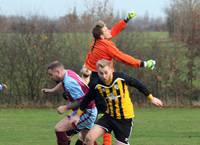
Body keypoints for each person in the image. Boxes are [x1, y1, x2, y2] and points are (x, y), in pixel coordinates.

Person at [81, 10, 156, 145]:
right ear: (102, 36)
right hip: (98, 80)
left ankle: (85, 129)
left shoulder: (98, 41)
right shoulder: (107, 47)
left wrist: (125, 20)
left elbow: (113, 31)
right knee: (108, 112)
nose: (109, 30)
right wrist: (143, 63)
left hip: (95, 77)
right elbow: (122, 57)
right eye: (106, 30)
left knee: (108, 112)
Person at [77, 59, 163, 145]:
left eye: (106, 72)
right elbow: (87, 99)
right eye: (101, 73)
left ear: (111, 70)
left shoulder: (120, 78)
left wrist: (151, 98)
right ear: (97, 73)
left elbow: (138, 84)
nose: (104, 76)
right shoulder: (97, 84)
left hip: (124, 119)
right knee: (89, 138)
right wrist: (77, 116)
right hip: (109, 117)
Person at [41, 60, 98, 145]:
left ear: (57, 72)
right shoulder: (67, 73)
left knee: (59, 128)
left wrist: (65, 107)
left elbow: (82, 101)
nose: (51, 77)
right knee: (87, 139)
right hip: (87, 110)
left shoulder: (69, 82)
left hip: (87, 111)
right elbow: (62, 82)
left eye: (51, 75)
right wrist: (51, 90)